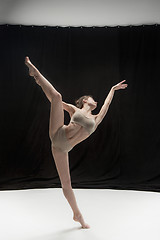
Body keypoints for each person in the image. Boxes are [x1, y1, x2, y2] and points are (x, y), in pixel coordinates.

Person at [25, 56, 128, 229]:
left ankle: (77, 215)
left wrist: (112, 89)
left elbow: (107, 104)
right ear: (85, 101)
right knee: (57, 97)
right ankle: (35, 74)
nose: (95, 101)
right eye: (92, 98)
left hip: (62, 149)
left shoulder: (96, 118)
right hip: (58, 134)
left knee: (67, 184)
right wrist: (41, 84)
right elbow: (53, 100)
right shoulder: (75, 110)